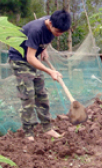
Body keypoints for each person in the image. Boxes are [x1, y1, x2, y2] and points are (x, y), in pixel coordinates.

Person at [8, 10, 72, 141]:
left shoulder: (54, 22)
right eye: (58, 32)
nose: (59, 35)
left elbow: (44, 40)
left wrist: (44, 49)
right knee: (28, 96)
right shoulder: (36, 30)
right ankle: (28, 132)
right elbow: (30, 57)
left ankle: (47, 128)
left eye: (62, 32)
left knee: (42, 94)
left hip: (33, 57)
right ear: (50, 23)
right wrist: (50, 71)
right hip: (20, 59)